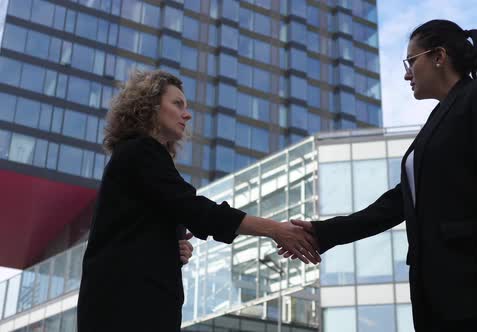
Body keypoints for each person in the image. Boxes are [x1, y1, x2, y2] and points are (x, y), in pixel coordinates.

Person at [280, 19, 477, 332]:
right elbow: (398, 202)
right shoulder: (437, 121)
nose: (407, 74)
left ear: (439, 56)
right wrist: (322, 232)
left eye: (411, 61)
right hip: (445, 300)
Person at [77, 70, 320, 332]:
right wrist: (274, 229)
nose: (187, 114)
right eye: (177, 104)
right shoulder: (140, 151)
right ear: (149, 107)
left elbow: (140, 227)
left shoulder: (143, 158)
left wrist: (169, 248)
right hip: (125, 309)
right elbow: (198, 211)